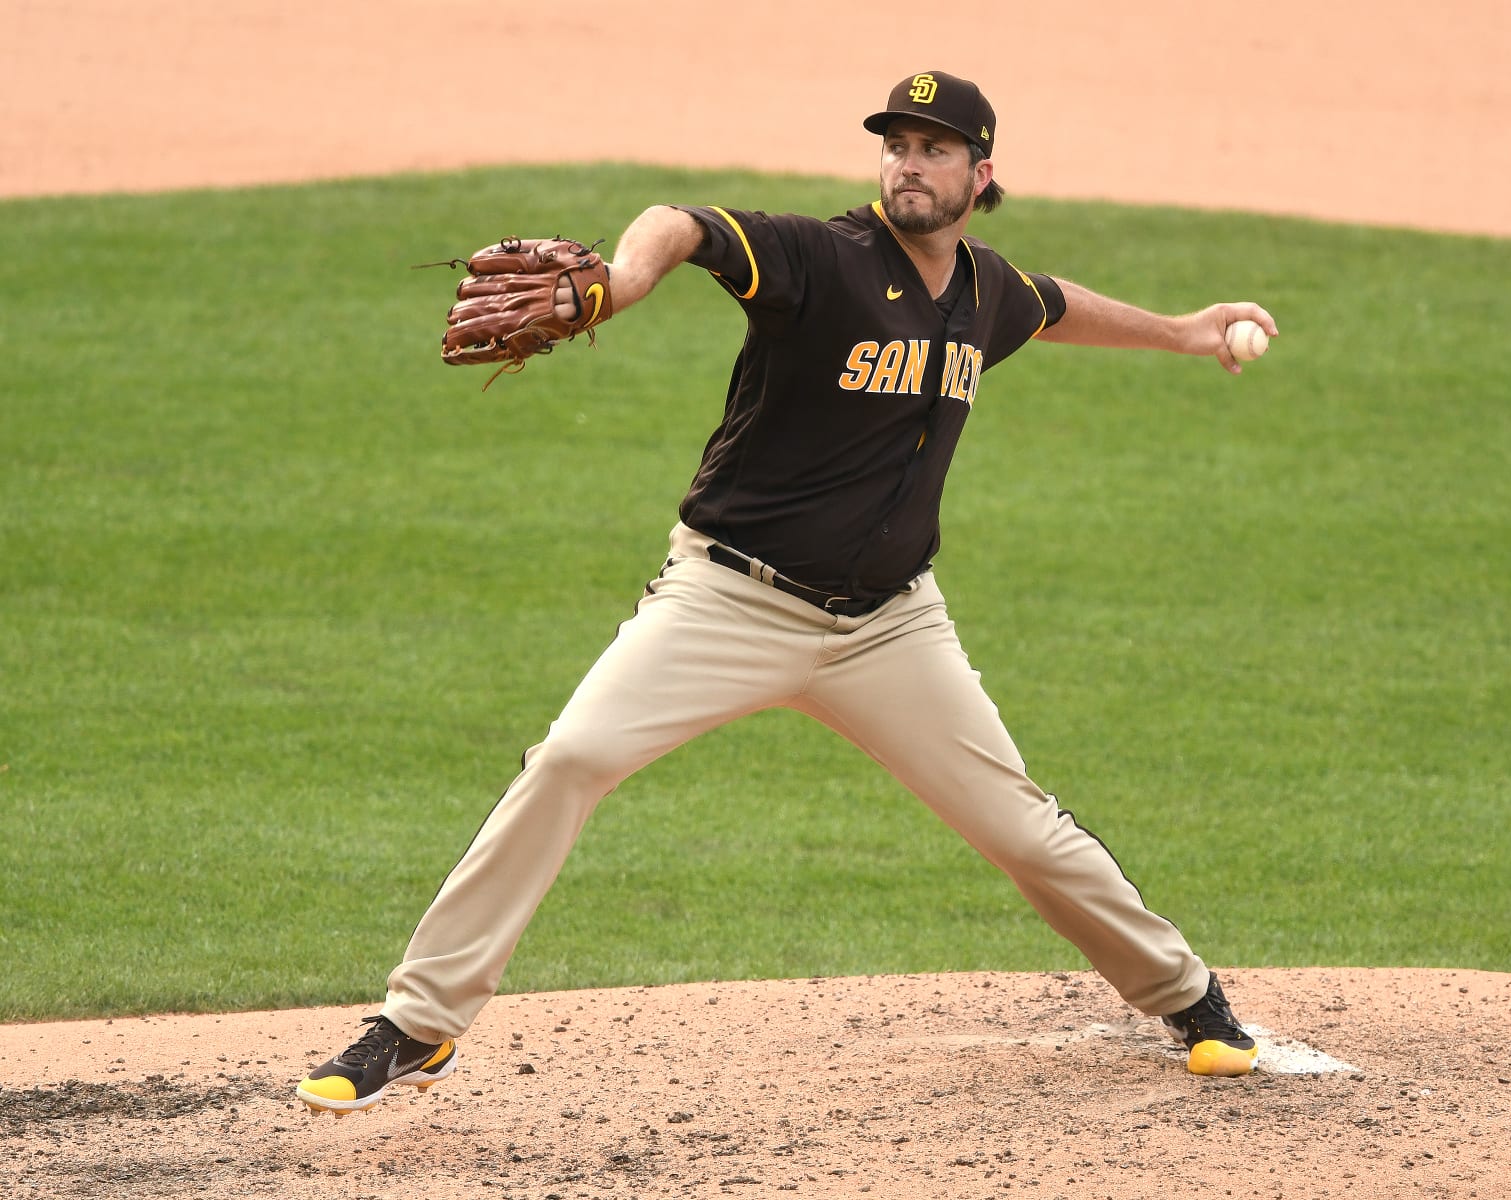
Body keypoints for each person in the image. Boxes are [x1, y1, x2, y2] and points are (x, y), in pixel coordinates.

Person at [296, 69, 1279, 1116]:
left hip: (891, 628)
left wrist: (1182, 329)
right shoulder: (823, 258)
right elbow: (683, 224)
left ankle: (1188, 1000)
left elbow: (1053, 307)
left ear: (979, 174)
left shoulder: (987, 291)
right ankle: (418, 1025)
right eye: (897, 144)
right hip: (729, 601)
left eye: (935, 148)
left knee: (1021, 828)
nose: (910, 162)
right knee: (574, 758)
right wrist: (624, 280)